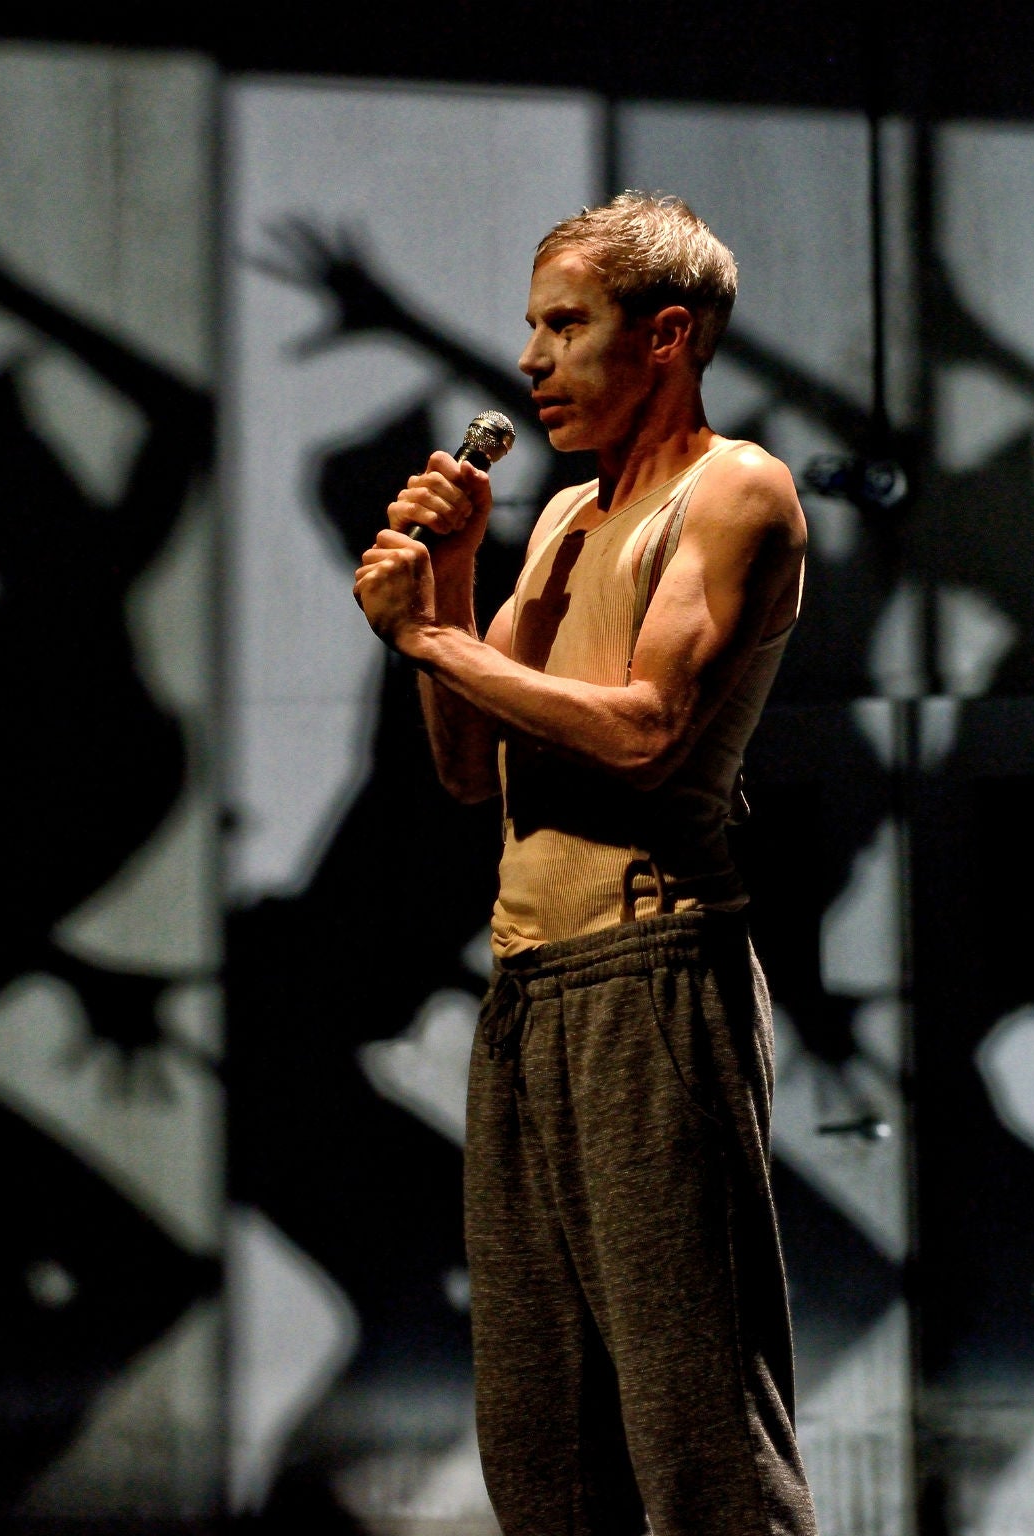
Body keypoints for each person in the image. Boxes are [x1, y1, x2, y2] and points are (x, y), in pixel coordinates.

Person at [352, 192, 817, 1535]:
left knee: (696, 1435)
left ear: (665, 336)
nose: (531, 360)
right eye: (530, 328)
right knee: (544, 1445)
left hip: (652, 977)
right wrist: (451, 581)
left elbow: (645, 733)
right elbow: (465, 766)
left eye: (566, 325)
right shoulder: (556, 523)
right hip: (530, 995)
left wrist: (436, 643)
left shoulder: (737, 491)